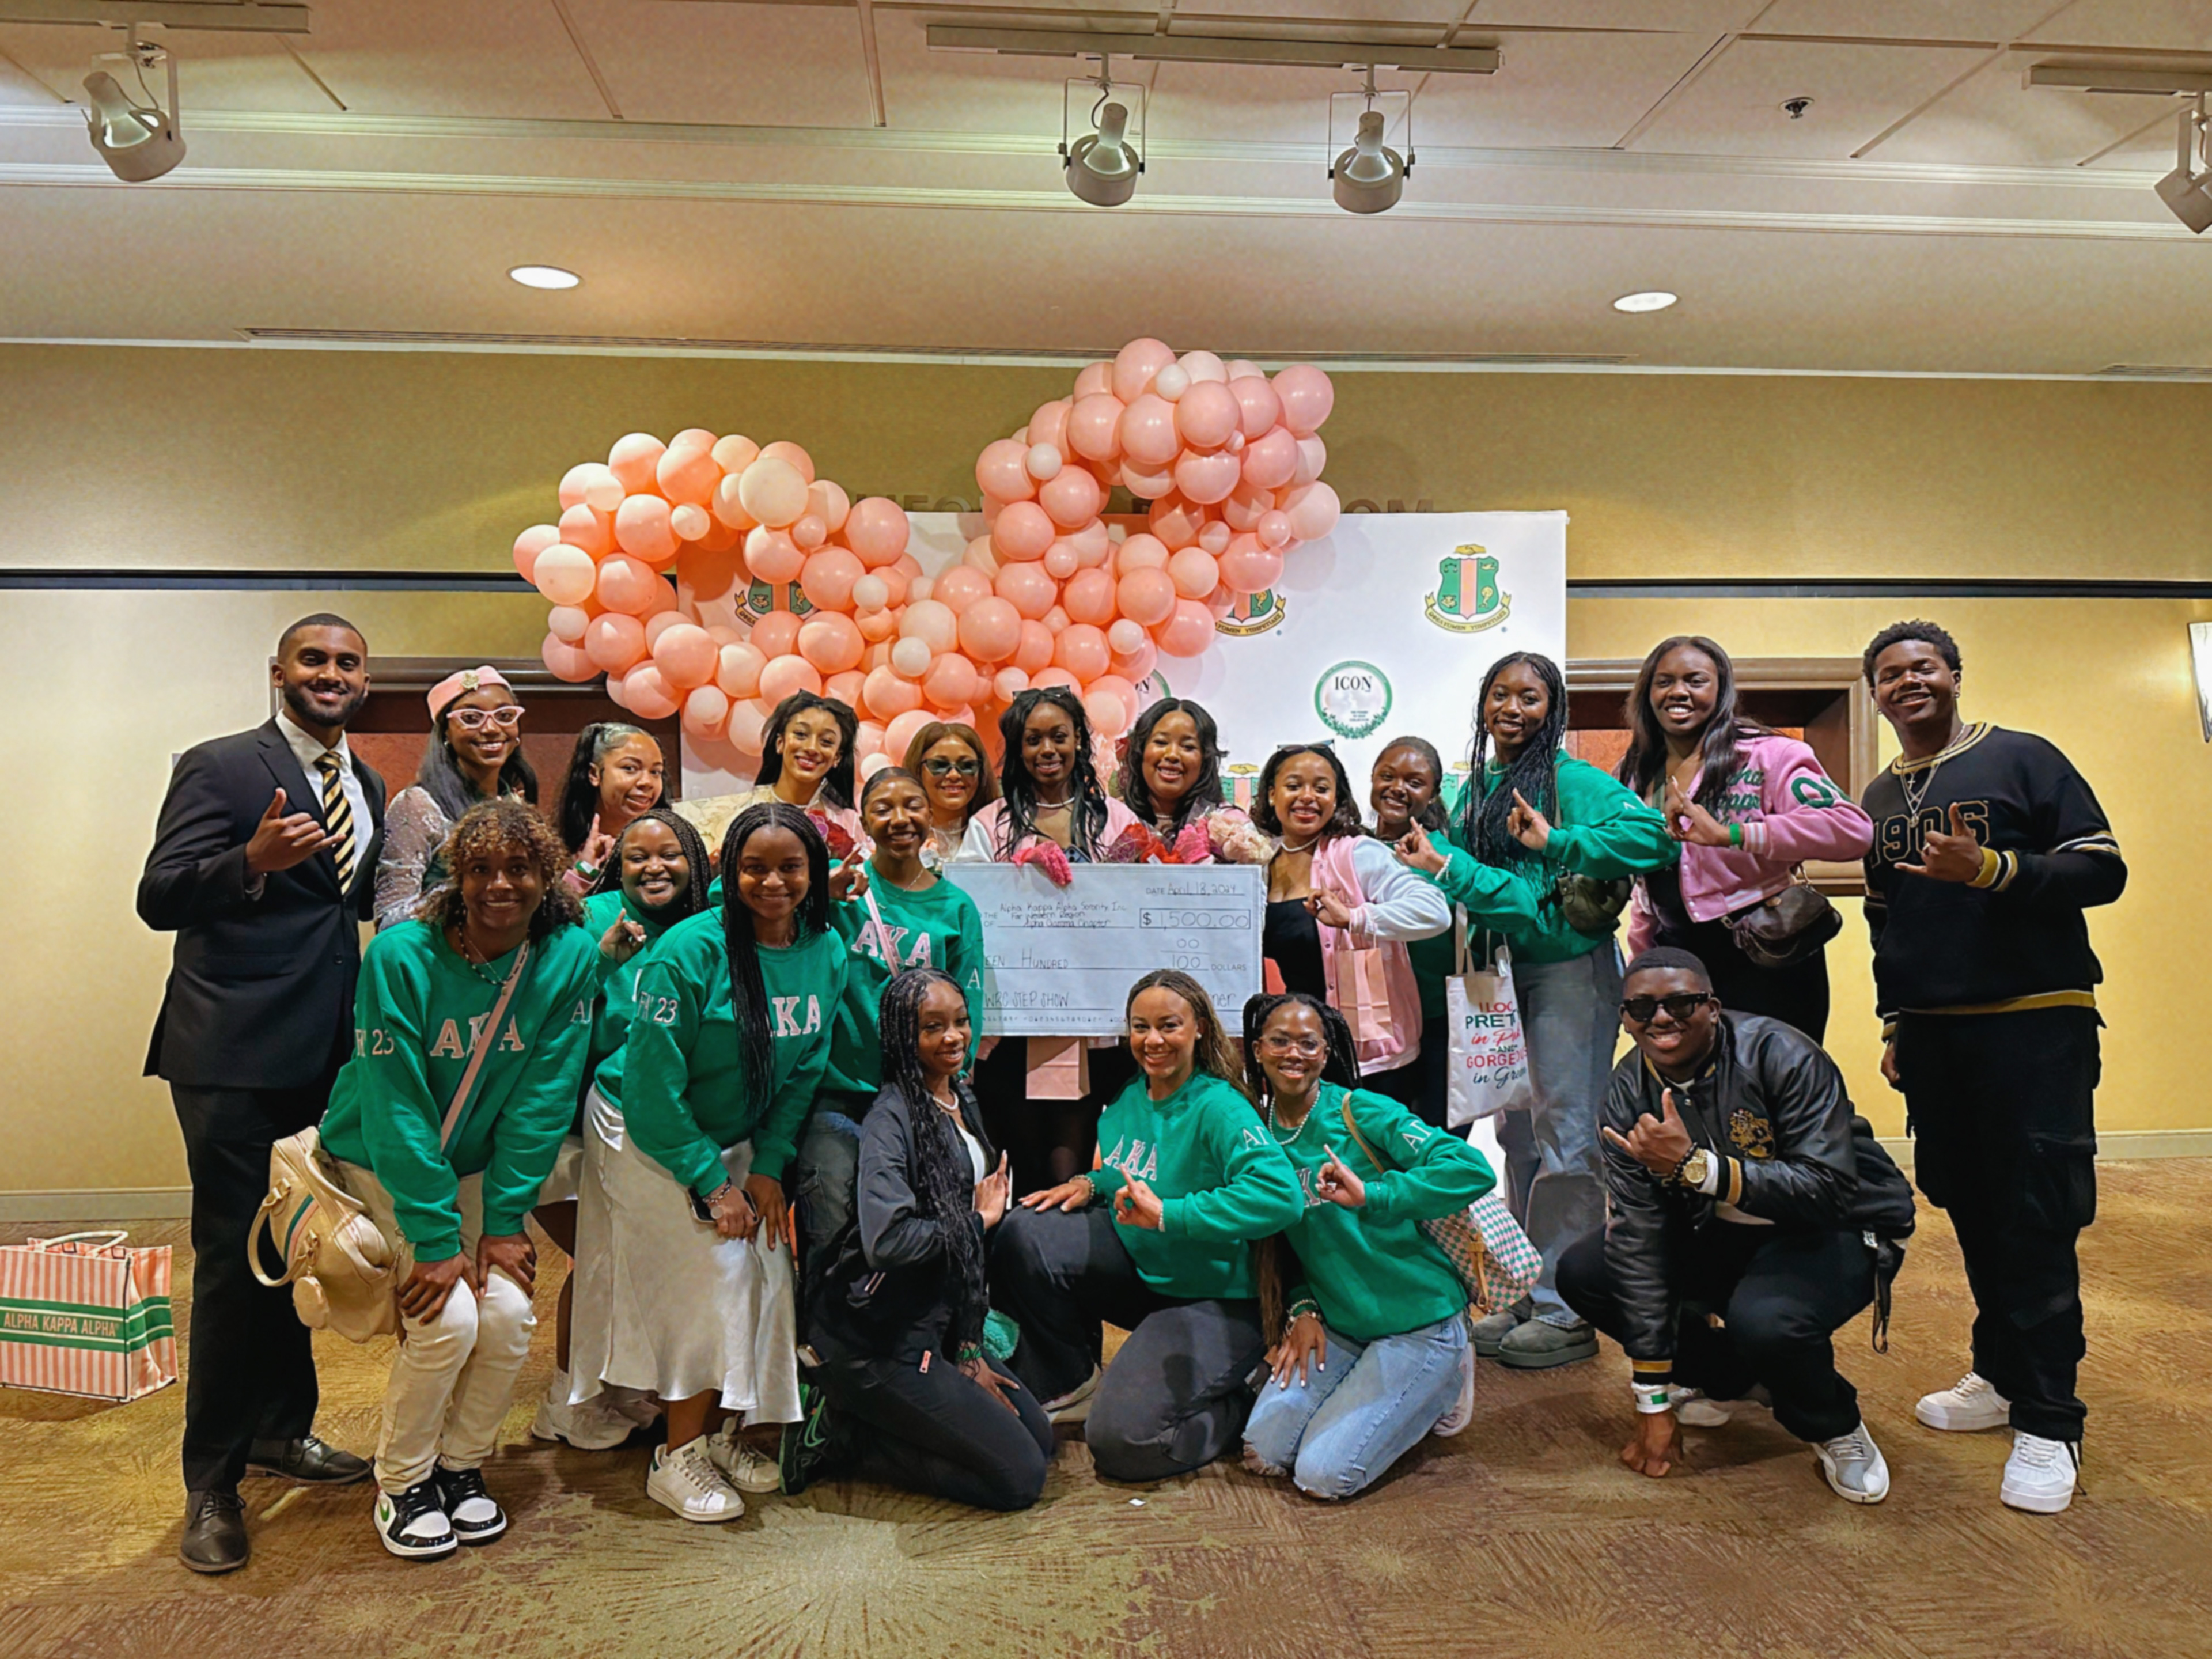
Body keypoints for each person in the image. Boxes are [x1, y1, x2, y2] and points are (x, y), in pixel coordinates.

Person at [1858, 620, 2124, 1515]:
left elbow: (2103, 870)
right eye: (1891, 674)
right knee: (1968, 1205)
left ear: (1956, 676)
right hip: (1935, 1036)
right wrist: (1896, 1021)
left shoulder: (2022, 759)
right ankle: (2001, 1375)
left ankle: (2052, 1421)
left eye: (1923, 667)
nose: (1908, 682)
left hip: (2034, 1024)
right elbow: (1885, 920)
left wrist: (1996, 869)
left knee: (2036, 1217)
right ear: (1876, 694)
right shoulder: (1881, 795)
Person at [138, 613, 385, 1575]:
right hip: (232, 1055)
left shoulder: (362, 783)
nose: (331, 675)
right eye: (314, 660)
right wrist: (248, 863)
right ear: (278, 671)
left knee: (302, 1245)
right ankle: (214, 1481)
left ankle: (284, 1431)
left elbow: (347, 909)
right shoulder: (220, 765)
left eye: (347, 663)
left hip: (324, 1057)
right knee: (236, 1264)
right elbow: (159, 895)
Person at [319, 800, 599, 1559]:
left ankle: (460, 1468)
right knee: (447, 1320)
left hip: (479, 1172)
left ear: (549, 876)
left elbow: (542, 1099)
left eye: (519, 869)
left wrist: (506, 1219)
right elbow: (396, 1102)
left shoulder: (569, 956)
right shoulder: (400, 957)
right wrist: (440, 1239)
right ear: (454, 874)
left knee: (507, 1319)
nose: (499, 886)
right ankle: (403, 1482)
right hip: (383, 1162)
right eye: (480, 869)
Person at [1558, 947, 1916, 1506]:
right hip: (1720, 1229)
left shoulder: (1784, 1054)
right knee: (1586, 1272)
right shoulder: (1628, 1091)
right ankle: (1735, 1379)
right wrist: (1651, 1401)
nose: (1661, 1019)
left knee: (1768, 1320)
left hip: (1835, 1226)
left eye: (1681, 1002)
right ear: (1624, 1017)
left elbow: (1829, 1189)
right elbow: (1639, 1240)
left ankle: (1834, 1424)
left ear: (1714, 1007)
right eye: (1641, 1008)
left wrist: (1699, 1169)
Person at [566, 802, 844, 1522]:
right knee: (713, 1269)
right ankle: (674, 1454)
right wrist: (711, 1182)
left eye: (790, 867)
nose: (773, 882)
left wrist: (767, 1167)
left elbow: (805, 1070)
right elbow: (655, 1091)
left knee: (770, 1265)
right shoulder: (688, 953)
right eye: (755, 867)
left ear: (813, 873)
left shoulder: (826, 947)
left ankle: (728, 1430)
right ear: (730, 871)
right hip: (645, 1126)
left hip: (737, 1130)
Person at [1424, 652, 1675, 1372]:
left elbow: (1652, 838)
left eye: (1530, 697)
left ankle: (1568, 1310)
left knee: (1568, 1133)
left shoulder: (1572, 780)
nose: (1513, 708)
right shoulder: (1477, 786)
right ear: (1482, 705)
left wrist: (1560, 841)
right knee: (1520, 1134)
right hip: (1499, 975)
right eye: (1500, 694)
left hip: (1569, 969)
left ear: (1553, 708)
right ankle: (1530, 1290)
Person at [991, 971, 1304, 1482]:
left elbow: (1281, 1197)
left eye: (1168, 1026)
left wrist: (1168, 1216)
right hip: (1152, 1275)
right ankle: (1072, 1380)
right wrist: (1093, 1183)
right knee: (1027, 1231)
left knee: (1123, 1443)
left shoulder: (1220, 1106)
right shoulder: (1135, 1095)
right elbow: (1144, 1167)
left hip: (1218, 1298)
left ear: (1200, 1028)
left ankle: (1245, 1396)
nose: (1152, 1040)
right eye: (1140, 1027)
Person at [793, 969, 1055, 1510]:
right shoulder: (892, 1118)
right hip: (882, 1340)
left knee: (1041, 1439)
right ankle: (845, 1435)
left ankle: (903, 1417)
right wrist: (978, 1221)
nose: (954, 1037)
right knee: (1019, 1479)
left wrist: (967, 1350)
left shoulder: (961, 1096)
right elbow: (888, 1242)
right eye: (932, 1027)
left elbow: (965, 1261)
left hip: (936, 1324)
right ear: (900, 1038)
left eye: (960, 1022)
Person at [1239, 993, 1495, 1500]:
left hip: (1417, 1322)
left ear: (1327, 1052)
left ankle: (1445, 1378)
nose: (1295, 1054)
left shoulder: (1361, 1111)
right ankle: (1386, 1391)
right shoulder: (1254, 1132)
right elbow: (1276, 1244)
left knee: (1323, 1476)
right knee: (1262, 1452)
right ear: (1258, 1050)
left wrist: (1375, 1195)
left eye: (1309, 1043)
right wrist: (1302, 1307)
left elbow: (1472, 1169)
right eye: (1281, 1042)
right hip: (1341, 1323)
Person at [531, 805, 711, 1452]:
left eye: (670, 854)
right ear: (616, 866)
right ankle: (564, 1401)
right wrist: (603, 962)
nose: (654, 867)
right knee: (597, 1259)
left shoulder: (706, 925)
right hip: (578, 1124)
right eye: (637, 857)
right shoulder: (594, 919)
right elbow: (549, 1012)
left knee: (630, 1261)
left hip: (661, 1124)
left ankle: (612, 1384)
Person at [1615, 637, 1872, 1042]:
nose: (1678, 692)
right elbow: (1646, 889)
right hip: (1680, 963)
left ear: (1721, 691)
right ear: (1647, 693)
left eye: (1695, 680)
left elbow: (1852, 831)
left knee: (1776, 1089)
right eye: (1664, 681)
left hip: (1768, 956)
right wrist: (1642, 967)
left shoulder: (1770, 754)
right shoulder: (1633, 773)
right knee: (1691, 1096)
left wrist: (1732, 835)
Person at [953, 687, 1142, 1192]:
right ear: (1017, 749)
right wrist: (1015, 874)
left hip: (1099, 1031)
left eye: (1059, 736)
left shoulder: (1118, 821)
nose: (1047, 750)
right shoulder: (989, 823)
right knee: (1014, 1173)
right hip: (1014, 1030)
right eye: (1032, 740)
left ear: (1080, 739)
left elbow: (1141, 914)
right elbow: (968, 906)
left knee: (1071, 1176)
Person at [1252, 741, 1451, 1109]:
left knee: (1373, 1161)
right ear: (1271, 794)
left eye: (1322, 788)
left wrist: (1356, 918)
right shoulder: (1259, 863)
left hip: (1370, 1057)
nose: (1307, 797)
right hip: (1298, 1055)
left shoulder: (1356, 852)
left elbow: (1435, 911)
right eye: (1294, 786)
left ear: (1337, 798)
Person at [823, 768, 987, 1117]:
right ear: (865, 825)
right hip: (842, 1092)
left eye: (913, 806)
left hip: (922, 1093)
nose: (900, 820)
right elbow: (724, 899)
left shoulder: (958, 908)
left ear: (929, 815)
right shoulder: (841, 884)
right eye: (883, 810)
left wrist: (952, 1075)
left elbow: (969, 1001)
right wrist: (813, 894)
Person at [1363, 734, 1495, 1128]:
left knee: (1442, 1141)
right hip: (1374, 1024)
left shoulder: (1446, 855)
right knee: (1377, 1142)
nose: (1397, 789)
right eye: (1387, 776)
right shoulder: (1353, 847)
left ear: (1435, 792)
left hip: (1440, 1019)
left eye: (1414, 782)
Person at [374, 666, 536, 931]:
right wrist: (469, 896)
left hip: (508, 960)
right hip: (439, 964)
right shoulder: (417, 805)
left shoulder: (515, 803)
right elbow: (389, 918)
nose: (492, 728)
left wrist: (582, 870)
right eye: (471, 718)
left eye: (505, 716)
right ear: (445, 733)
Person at [679, 692, 865, 859]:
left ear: (837, 758)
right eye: (801, 734)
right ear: (780, 743)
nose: (811, 748)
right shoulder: (732, 812)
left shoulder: (851, 824)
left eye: (826, 741)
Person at [1111, 698, 1269, 864]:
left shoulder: (1230, 825)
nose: (1172, 755)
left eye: (1188, 747)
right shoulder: (1114, 817)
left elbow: (1252, 885)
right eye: (1161, 742)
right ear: (1140, 752)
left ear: (1205, 759)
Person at [556, 722, 665, 897]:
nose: (647, 782)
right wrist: (584, 873)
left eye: (656, 772)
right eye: (630, 769)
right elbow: (554, 921)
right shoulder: (556, 850)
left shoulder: (673, 844)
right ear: (594, 774)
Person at [903, 719, 999, 869]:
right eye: (939, 765)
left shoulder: (1000, 834)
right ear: (917, 769)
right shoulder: (899, 836)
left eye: (967, 766)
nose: (954, 775)